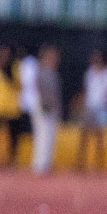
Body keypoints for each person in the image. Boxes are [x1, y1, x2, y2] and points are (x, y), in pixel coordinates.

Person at [75, 50, 107, 171]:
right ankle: (80, 163)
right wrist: (81, 103)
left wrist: (106, 103)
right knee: (84, 135)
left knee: (100, 137)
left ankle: (98, 165)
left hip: (103, 108)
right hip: (90, 107)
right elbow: (86, 90)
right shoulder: (90, 72)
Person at [0, 46, 24, 169]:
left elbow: (18, 84)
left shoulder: (15, 67)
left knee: (13, 137)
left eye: (6, 54)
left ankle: (13, 161)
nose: (3, 56)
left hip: (12, 108)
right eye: (1, 54)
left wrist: (8, 69)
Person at [31, 45, 62, 175]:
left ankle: (46, 163)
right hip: (43, 105)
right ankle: (40, 165)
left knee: (50, 136)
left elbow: (55, 93)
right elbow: (39, 87)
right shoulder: (41, 70)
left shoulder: (52, 72)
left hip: (52, 106)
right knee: (42, 135)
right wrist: (44, 103)